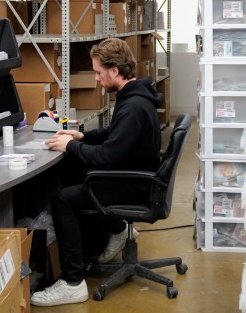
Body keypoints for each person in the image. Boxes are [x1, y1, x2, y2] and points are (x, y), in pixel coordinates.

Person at [30, 38, 163, 307]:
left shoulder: (133, 108)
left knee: (63, 200)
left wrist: (70, 146)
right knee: (74, 175)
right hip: (135, 175)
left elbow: (108, 156)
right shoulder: (134, 97)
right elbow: (115, 136)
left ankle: (72, 282)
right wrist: (82, 136)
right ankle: (112, 231)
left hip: (132, 184)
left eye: (99, 72)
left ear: (114, 71)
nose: (97, 79)